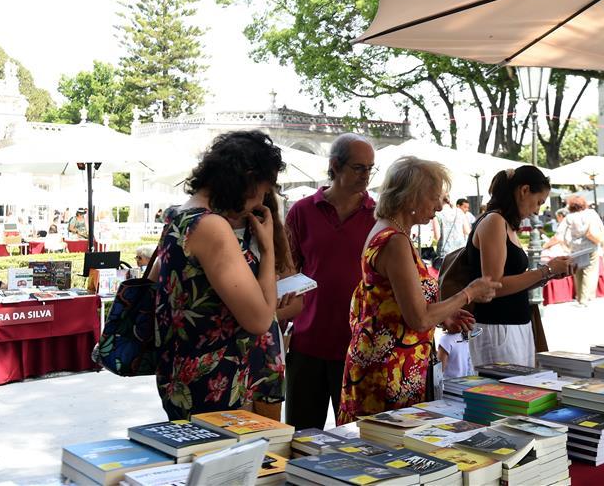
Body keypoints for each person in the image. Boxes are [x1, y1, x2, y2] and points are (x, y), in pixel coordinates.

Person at [338, 157, 499, 423]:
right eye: (434, 197)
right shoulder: (395, 241)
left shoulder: (391, 232)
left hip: (390, 361)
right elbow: (419, 317)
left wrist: (444, 315)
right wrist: (468, 293)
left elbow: (397, 305)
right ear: (411, 197)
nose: (438, 206)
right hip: (390, 368)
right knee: (388, 452)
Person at [151, 130, 295, 420]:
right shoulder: (212, 226)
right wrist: (267, 251)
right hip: (221, 383)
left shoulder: (178, 215)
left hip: (183, 374)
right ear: (248, 179)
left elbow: (158, 283)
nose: (261, 201)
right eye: (262, 190)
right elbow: (259, 320)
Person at [284, 133, 378, 429]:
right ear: (335, 166)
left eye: (370, 168)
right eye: (359, 168)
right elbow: (287, 269)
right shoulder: (302, 211)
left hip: (359, 344)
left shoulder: (379, 215)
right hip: (307, 341)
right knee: (300, 435)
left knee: (355, 439)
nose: (366, 176)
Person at [466, 167, 571, 368]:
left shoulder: (503, 223)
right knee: (503, 393)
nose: (538, 210)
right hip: (498, 327)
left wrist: (548, 275)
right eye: (539, 201)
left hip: (512, 325)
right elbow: (493, 286)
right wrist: (545, 270)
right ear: (524, 190)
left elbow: (513, 280)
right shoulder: (494, 221)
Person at [559, 195, 604, 306]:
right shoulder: (591, 214)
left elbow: (561, 234)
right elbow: (600, 228)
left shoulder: (569, 217)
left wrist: (567, 245)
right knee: (589, 271)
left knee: (577, 272)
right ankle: (585, 298)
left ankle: (579, 297)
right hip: (590, 246)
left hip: (575, 248)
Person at [433, 195, 470, 264]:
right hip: (460, 251)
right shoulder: (459, 211)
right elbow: (467, 231)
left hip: (444, 253)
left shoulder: (437, 213)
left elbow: (437, 236)